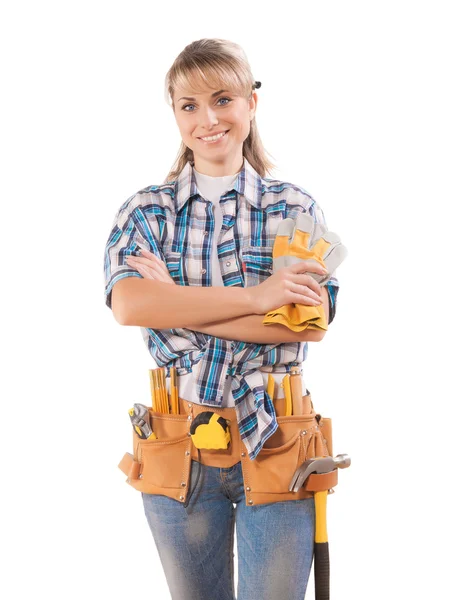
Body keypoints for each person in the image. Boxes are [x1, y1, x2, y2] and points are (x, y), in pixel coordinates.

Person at [103, 38, 340, 600]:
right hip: (175, 440)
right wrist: (259, 298)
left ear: (251, 104)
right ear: (175, 115)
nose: (208, 119)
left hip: (278, 439)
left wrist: (177, 302)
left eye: (223, 98)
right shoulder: (145, 212)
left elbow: (306, 324)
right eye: (189, 105)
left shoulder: (294, 208)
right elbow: (130, 305)